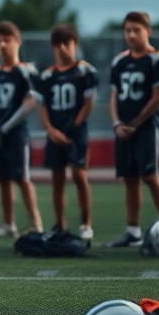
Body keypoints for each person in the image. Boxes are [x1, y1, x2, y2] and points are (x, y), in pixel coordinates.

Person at [107, 11, 159, 248]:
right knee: (130, 179)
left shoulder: (158, 59)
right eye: (127, 30)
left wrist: (134, 123)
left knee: (150, 176)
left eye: (136, 30)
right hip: (124, 127)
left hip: (146, 127)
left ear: (149, 31)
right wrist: (117, 123)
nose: (131, 35)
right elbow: (114, 96)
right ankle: (133, 232)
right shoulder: (120, 61)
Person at [0, 21, 44, 238]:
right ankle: (9, 223)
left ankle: (36, 223)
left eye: (7, 40)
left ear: (17, 42)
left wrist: (6, 127)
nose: (2, 45)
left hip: (16, 132)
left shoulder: (25, 71)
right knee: (3, 179)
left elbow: (30, 102)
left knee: (23, 178)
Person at [36, 24, 96, 238]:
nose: (62, 48)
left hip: (76, 132)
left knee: (80, 175)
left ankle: (86, 223)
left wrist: (73, 127)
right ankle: (60, 224)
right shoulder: (47, 75)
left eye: (67, 43)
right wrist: (51, 130)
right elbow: (43, 105)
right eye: (58, 44)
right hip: (55, 131)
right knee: (58, 178)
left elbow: (89, 102)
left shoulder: (84, 71)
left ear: (75, 45)